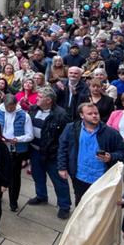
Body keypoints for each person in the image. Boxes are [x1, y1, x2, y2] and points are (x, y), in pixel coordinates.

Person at [58, 103, 124, 204]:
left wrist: (111, 157)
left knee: (97, 206)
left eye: (96, 113)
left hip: (101, 178)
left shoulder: (111, 133)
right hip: (79, 176)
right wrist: (62, 167)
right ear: (82, 115)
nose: (94, 115)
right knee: (80, 203)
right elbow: (62, 148)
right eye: (90, 113)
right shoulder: (71, 128)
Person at [27, 88, 72, 219]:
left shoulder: (62, 115)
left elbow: (67, 138)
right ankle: (41, 196)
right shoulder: (33, 109)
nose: (36, 98)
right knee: (38, 176)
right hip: (35, 151)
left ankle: (64, 206)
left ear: (48, 100)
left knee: (59, 181)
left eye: (39, 97)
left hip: (52, 155)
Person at [0, 94, 33, 212]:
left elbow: (30, 135)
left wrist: (18, 139)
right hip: (0, 148)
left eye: (12, 107)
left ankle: (13, 201)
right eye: (8, 107)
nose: (10, 109)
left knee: (14, 177)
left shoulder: (24, 116)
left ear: (16, 104)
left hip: (15, 150)